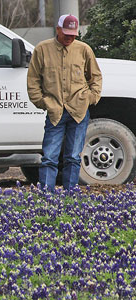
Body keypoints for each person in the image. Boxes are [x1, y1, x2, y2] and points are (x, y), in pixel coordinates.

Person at [27, 14, 102, 192]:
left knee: (73, 157)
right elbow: (33, 80)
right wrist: (42, 102)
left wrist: (90, 98)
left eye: (73, 34)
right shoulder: (42, 49)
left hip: (79, 111)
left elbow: (96, 77)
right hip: (55, 111)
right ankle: (46, 196)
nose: (70, 37)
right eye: (66, 33)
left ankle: (70, 196)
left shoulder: (84, 49)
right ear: (58, 29)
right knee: (49, 157)